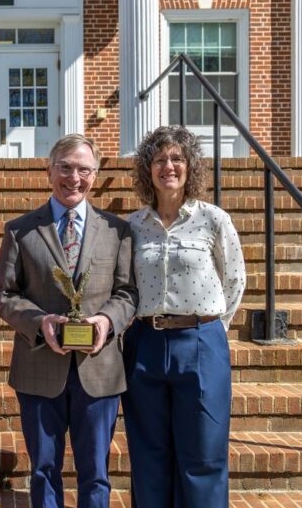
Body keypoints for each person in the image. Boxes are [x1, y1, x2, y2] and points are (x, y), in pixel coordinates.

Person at [0, 134, 138, 508]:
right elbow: (3, 295)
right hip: (39, 365)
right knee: (43, 469)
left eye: (84, 170)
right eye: (66, 168)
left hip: (99, 367)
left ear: (95, 175)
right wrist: (39, 321)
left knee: (96, 471)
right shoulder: (21, 229)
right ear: (49, 171)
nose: (74, 177)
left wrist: (106, 321)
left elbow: (127, 293)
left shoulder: (117, 230)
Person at [122, 125, 246, 507]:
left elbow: (234, 279)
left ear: (191, 166)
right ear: (148, 169)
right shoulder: (132, 226)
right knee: (149, 454)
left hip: (201, 342)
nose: (168, 166)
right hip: (145, 342)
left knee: (203, 455)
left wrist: (212, 330)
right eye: (159, 160)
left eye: (177, 158)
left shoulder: (213, 219)